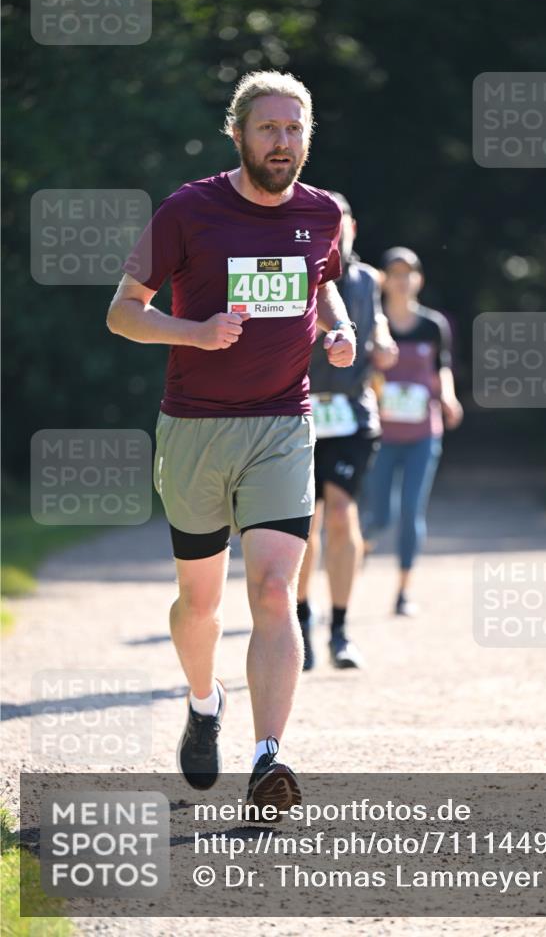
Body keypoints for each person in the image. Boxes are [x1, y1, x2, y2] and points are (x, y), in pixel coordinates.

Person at [106, 71, 356, 807]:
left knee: (275, 591)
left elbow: (324, 279)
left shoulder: (320, 213)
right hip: (195, 428)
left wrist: (337, 327)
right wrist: (194, 332)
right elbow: (123, 313)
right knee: (200, 603)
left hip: (284, 423)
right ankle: (202, 698)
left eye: (294, 129)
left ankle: (268, 757)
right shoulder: (190, 209)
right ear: (238, 133)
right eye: (268, 129)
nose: (282, 143)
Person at [297, 193, 397, 671]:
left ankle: (339, 629)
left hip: (353, 416)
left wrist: (382, 341)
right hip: (297, 413)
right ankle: (299, 624)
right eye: (327, 223)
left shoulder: (363, 279)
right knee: (304, 523)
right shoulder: (297, 273)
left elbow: (376, 325)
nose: (336, 231)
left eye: (342, 223)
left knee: (340, 513)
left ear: (353, 228)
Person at [364, 247, 463, 615]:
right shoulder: (372, 322)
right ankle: (358, 553)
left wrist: (448, 398)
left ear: (418, 280)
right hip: (381, 435)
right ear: (384, 279)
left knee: (411, 512)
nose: (402, 281)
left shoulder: (432, 325)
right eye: (395, 273)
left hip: (423, 434)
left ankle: (403, 591)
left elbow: (443, 367)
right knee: (379, 516)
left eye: (409, 273)